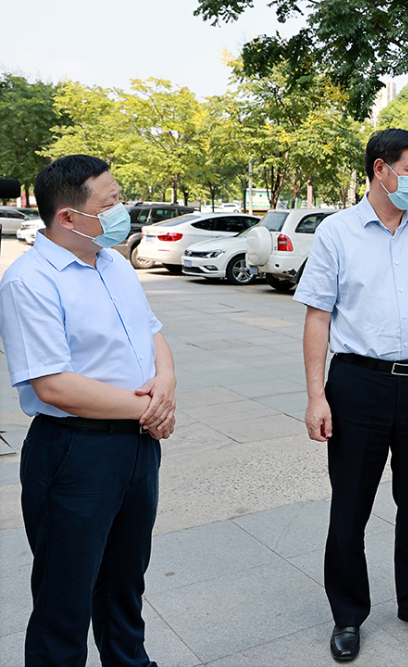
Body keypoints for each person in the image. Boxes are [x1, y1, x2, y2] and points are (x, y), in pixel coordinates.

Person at [295, 128, 408, 662]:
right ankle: (348, 614)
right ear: (380, 169)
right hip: (357, 386)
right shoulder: (337, 233)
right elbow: (317, 317)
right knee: (351, 505)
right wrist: (316, 396)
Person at [0, 154, 176, 667]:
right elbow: (52, 385)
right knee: (65, 596)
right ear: (68, 217)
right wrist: (150, 410)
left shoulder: (114, 261)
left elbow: (153, 332)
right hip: (74, 454)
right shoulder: (29, 281)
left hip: (136, 448)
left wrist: (163, 386)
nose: (123, 210)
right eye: (112, 202)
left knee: (125, 582)